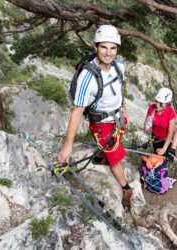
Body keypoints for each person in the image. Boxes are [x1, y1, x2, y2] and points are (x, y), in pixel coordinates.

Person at [57, 25, 132, 209]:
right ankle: (126, 188)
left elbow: (118, 89)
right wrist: (68, 148)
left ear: (117, 49)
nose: (108, 53)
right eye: (104, 47)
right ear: (96, 47)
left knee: (113, 144)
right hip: (102, 123)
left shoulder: (119, 66)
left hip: (117, 118)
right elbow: (77, 112)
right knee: (115, 158)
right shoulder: (87, 78)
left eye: (113, 48)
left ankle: (102, 156)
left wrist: (122, 108)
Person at [143, 87, 176, 156]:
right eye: (156, 101)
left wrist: (164, 149)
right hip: (155, 138)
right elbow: (147, 125)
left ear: (167, 103)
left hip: (166, 141)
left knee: (160, 160)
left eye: (161, 103)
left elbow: (170, 133)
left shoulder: (171, 113)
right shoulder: (152, 108)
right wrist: (147, 124)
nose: (157, 105)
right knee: (155, 156)